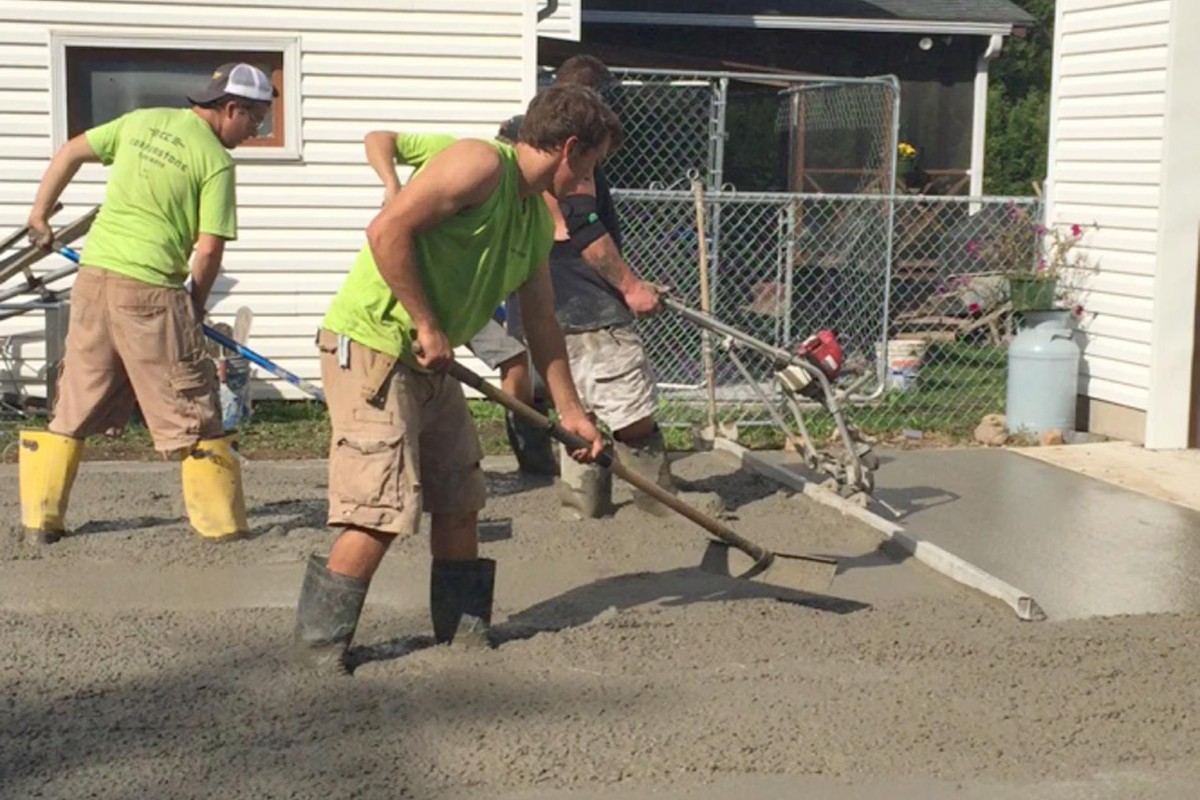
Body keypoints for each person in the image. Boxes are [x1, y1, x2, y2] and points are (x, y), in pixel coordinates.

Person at [292, 84, 616, 674]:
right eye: (592, 164)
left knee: (460, 495)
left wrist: (571, 412)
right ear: (569, 147)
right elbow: (385, 232)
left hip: (428, 361)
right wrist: (426, 322)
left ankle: (462, 635)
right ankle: (318, 650)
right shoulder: (479, 164)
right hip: (373, 344)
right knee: (380, 507)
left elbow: (543, 323)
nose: (591, 180)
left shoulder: (534, 220)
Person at [18, 62, 276, 545]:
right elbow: (209, 248)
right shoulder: (217, 163)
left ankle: (41, 522)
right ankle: (221, 529)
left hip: (94, 279)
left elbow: (72, 150)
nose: (257, 129)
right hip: (151, 289)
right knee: (192, 406)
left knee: (74, 401)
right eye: (256, 118)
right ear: (231, 108)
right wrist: (194, 307)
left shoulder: (141, 121)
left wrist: (38, 214)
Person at [503, 55, 723, 519]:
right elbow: (580, 223)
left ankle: (583, 505)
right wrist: (630, 286)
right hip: (584, 300)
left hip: (535, 295)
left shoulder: (518, 136)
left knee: (576, 409)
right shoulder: (572, 150)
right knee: (628, 407)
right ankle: (657, 506)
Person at [362, 129, 558, 477]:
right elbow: (378, 138)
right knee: (514, 359)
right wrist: (391, 184)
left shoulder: (527, 207)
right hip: (418, 305)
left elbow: (541, 312)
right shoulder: (459, 156)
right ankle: (530, 451)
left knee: (459, 496)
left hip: (465, 304)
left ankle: (530, 451)